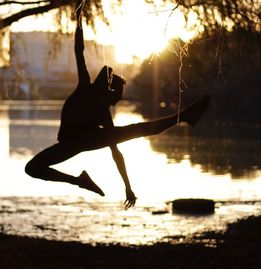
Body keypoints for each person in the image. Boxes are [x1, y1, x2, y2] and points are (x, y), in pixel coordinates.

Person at [25, 3, 210, 209]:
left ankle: (184, 116)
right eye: (116, 95)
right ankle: (80, 181)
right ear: (106, 89)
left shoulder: (103, 111)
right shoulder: (85, 88)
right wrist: (79, 20)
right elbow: (79, 52)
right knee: (32, 168)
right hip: (72, 144)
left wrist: (128, 187)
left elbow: (116, 153)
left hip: (83, 141)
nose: (117, 100)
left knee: (139, 130)